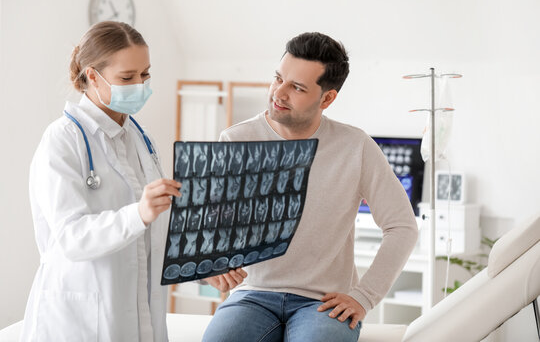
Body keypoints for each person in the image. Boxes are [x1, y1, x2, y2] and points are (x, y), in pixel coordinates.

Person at [20, 21, 245, 341]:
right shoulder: (62, 140)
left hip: (138, 314)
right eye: (127, 77)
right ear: (92, 76)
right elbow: (71, 237)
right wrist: (138, 213)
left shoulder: (139, 137)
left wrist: (200, 266)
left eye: (145, 74)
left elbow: (154, 231)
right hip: (80, 317)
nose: (140, 85)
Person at [202, 32, 418, 342]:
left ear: (327, 98)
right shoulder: (235, 141)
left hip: (323, 302)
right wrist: (212, 264)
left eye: (297, 87)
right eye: (278, 78)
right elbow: (208, 229)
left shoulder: (355, 147)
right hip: (253, 295)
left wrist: (364, 296)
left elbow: (402, 226)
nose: (279, 92)